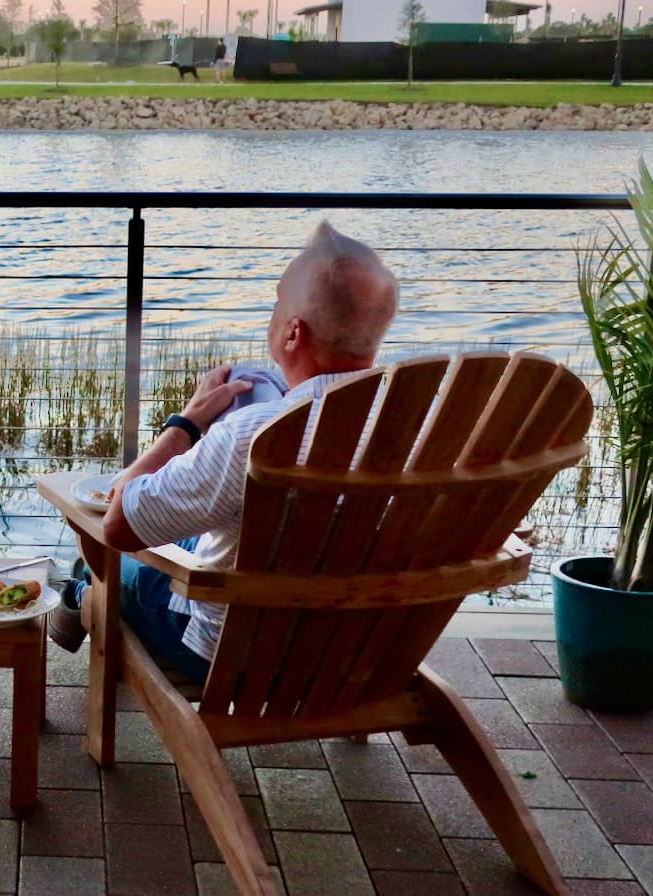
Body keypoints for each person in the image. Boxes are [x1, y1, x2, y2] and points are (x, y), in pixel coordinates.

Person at [48, 222, 399, 685]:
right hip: (359, 648)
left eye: (276, 303)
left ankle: (77, 596)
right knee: (201, 528)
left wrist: (187, 423)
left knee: (105, 560)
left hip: (236, 652)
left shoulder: (258, 434)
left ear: (293, 332)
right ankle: (78, 589)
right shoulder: (429, 425)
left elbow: (117, 524)